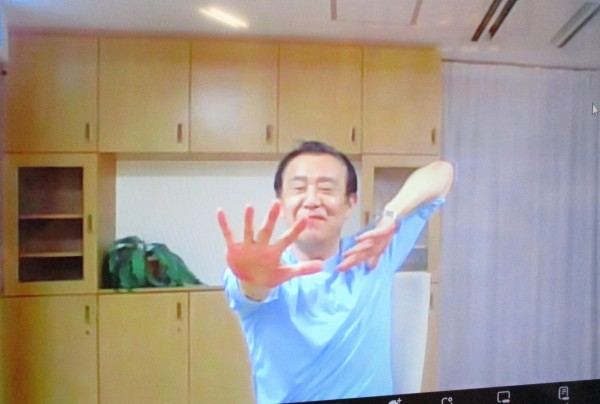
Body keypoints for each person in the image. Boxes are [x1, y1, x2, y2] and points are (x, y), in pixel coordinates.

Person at [218, 141, 454, 403]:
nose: (312, 200)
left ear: (350, 203)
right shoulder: (263, 270)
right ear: (281, 203)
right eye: (299, 188)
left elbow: (442, 173)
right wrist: (254, 281)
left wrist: (391, 215)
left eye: (327, 188)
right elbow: (252, 289)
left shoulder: (374, 249)